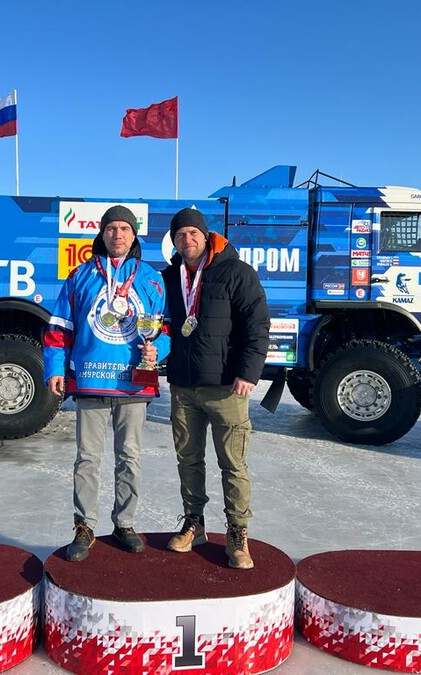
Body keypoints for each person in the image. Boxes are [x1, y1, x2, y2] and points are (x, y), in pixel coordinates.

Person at [43, 205, 170, 562]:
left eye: (124, 228)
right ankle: (84, 526)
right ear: (102, 234)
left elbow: (165, 330)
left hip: (133, 383)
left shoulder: (151, 278)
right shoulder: (81, 275)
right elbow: (59, 327)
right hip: (90, 379)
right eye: (111, 228)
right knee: (87, 458)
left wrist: (157, 349)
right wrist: (55, 368)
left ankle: (124, 524)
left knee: (130, 457)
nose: (118, 234)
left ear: (134, 235)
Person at [161, 207, 269, 569]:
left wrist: (248, 373)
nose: (187, 240)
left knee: (233, 464)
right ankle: (194, 523)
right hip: (184, 387)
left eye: (193, 233)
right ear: (174, 241)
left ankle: (237, 533)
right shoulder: (170, 276)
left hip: (227, 388)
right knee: (188, 459)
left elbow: (257, 325)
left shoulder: (236, 272)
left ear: (206, 236)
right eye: (180, 235)